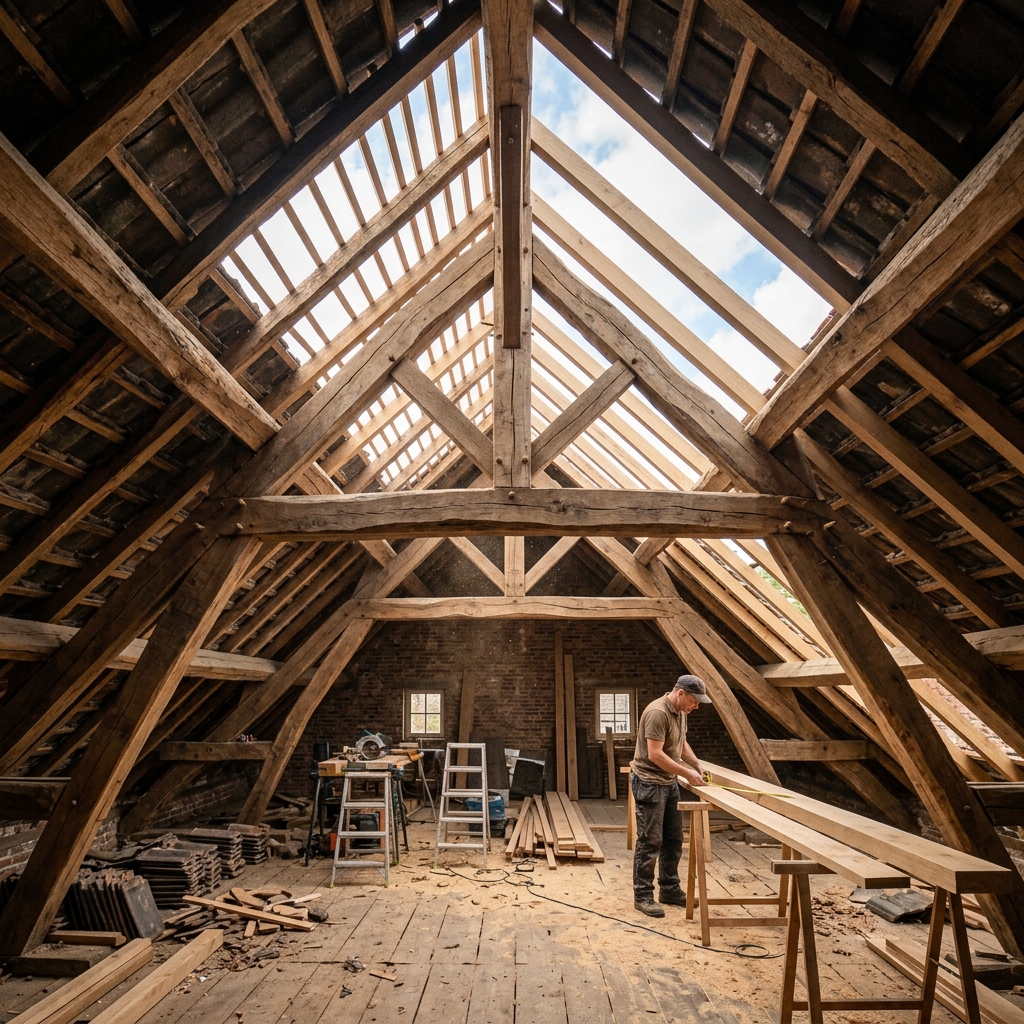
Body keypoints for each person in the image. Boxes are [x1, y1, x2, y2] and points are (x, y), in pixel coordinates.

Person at [630, 674, 711, 917]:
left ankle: (669, 889)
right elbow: (655, 754)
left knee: (674, 839)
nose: (696, 706)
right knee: (650, 840)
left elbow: (680, 742)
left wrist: (696, 765)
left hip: (668, 781)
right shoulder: (658, 712)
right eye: (694, 701)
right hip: (650, 783)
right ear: (680, 694)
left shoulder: (680, 713)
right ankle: (643, 896)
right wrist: (685, 773)